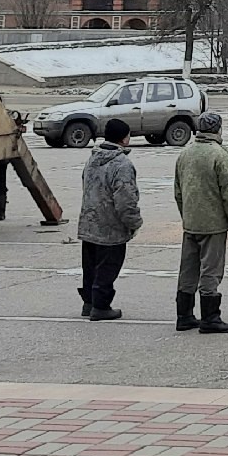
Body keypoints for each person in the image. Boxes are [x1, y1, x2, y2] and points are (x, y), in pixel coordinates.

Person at [171, 111, 228, 334]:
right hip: (213, 223)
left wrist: (187, 215)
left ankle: (184, 315)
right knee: (211, 270)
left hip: (191, 221)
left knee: (188, 269)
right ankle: (210, 317)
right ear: (218, 129)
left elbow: (178, 191)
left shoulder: (185, 154)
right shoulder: (221, 155)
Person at [77, 117, 142, 321]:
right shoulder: (121, 164)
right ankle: (101, 306)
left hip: (89, 223)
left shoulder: (92, 158)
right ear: (124, 139)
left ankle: (89, 302)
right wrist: (134, 223)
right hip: (110, 227)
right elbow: (125, 199)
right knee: (108, 266)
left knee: (90, 266)